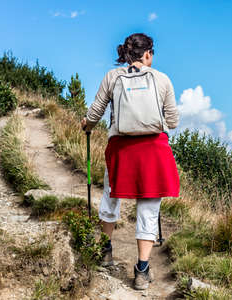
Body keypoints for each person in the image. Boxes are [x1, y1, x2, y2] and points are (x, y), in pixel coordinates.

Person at [81, 33, 180, 290]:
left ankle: (105, 251)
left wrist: (87, 124)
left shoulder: (113, 77)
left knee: (111, 196)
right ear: (148, 54)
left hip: (121, 148)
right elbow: (173, 121)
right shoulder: (161, 79)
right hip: (153, 150)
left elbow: (96, 111)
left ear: (126, 54)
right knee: (148, 207)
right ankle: (142, 271)